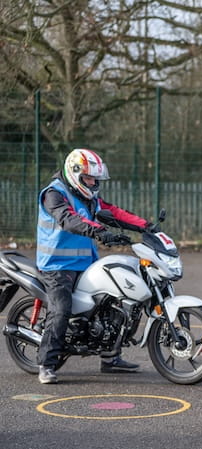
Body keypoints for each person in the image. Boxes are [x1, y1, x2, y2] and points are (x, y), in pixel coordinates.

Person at [36, 148, 157, 384]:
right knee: (61, 309)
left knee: (116, 299)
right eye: (89, 178)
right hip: (57, 265)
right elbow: (69, 220)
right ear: (75, 173)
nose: (93, 183)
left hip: (85, 263)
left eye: (95, 179)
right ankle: (46, 364)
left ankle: (110, 358)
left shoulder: (89, 198)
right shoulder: (54, 194)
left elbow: (114, 213)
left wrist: (146, 226)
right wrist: (101, 232)